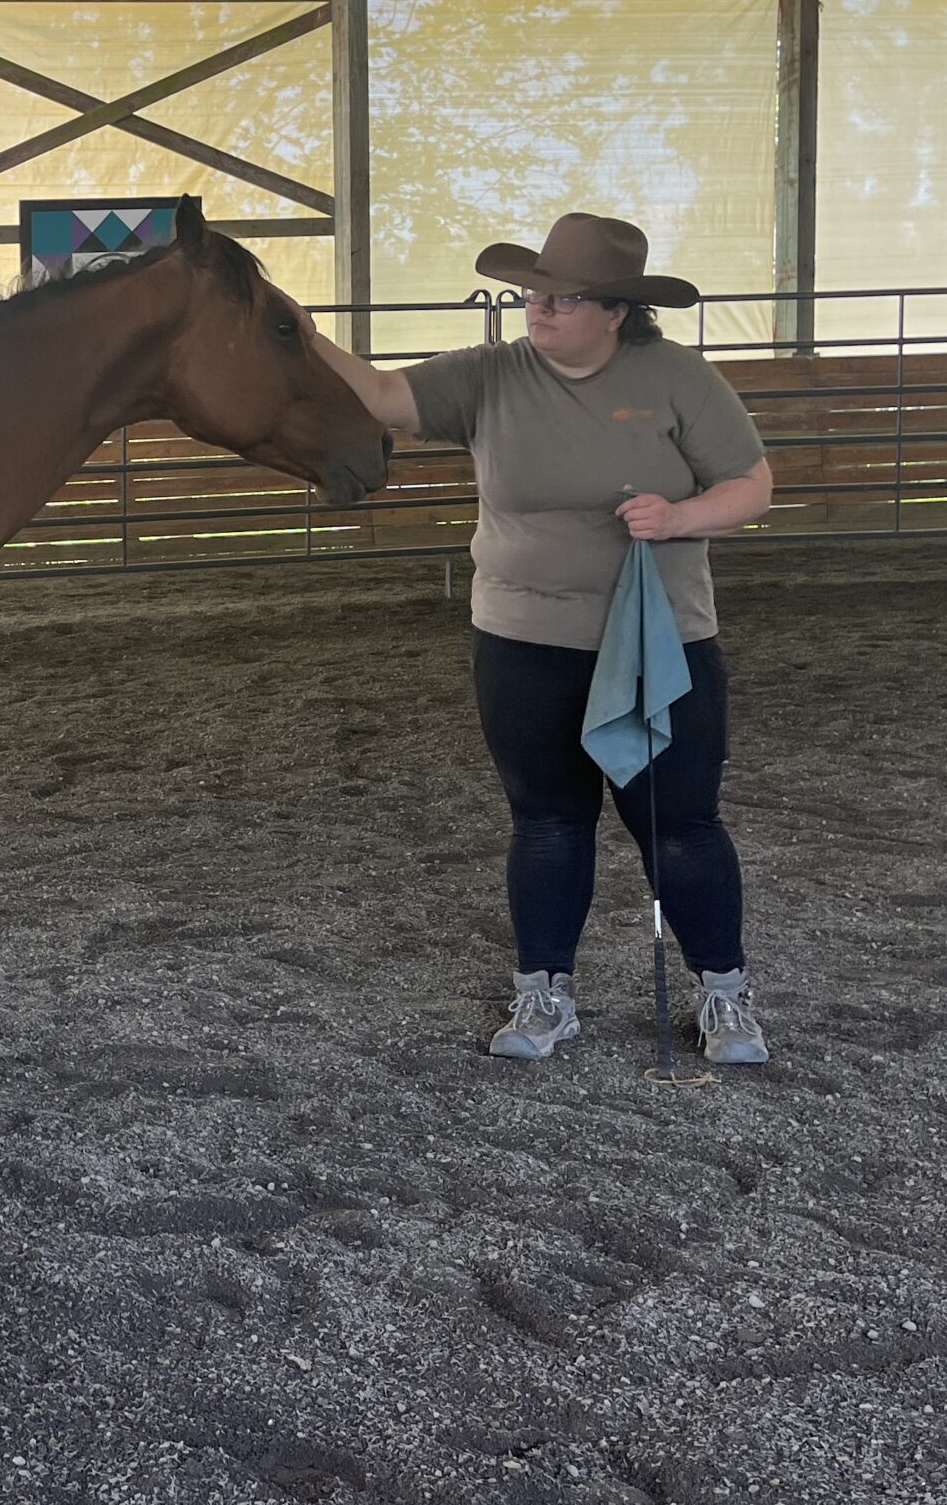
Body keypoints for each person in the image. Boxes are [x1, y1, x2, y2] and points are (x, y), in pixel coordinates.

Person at [298, 214, 778, 1066]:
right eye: (535, 294)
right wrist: (292, 323)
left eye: (564, 297)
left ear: (616, 311)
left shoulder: (679, 378)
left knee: (680, 825)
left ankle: (725, 993)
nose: (541, 309)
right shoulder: (488, 376)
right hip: (522, 638)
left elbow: (751, 485)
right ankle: (545, 991)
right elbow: (379, 397)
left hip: (662, 637)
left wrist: (680, 518)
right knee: (548, 820)